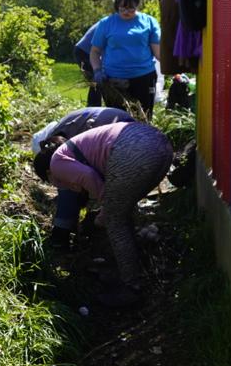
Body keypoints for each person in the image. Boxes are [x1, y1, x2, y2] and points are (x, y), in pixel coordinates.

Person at [33, 121, 173, 307]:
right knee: (122, 212)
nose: (57, 185)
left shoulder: (56, 163)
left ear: (49, 174)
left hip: (134, 148)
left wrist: (105, 208)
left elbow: (89, 177)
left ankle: (132, 287)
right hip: (161, 146)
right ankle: (131, 265)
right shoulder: (73, 149)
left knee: (114, 220)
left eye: (51, 182)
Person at [32, 107, 135, 246]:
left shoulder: (57, 155)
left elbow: (81, 176)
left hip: (116, 134)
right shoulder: (58, 137)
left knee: (67, 186)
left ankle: (60, 236)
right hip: (128, 129)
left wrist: (106, 204)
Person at [89, 0, 162, 117]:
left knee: (143, 119)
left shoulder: (149, 22)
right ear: (117, 5)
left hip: (144, 80)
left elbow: (158, 53)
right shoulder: (106, 23)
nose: (126, 12)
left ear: (137, 4)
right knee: (117, 120)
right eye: (122, 7)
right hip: (115, 82)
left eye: (131, 8)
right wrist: (97, 70)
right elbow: (95, 52)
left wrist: (176, 65)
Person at [73, 23, 103, 107]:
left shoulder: (111, 21)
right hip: (85, 52)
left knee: (98, 83)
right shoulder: (112, 24)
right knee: (97, 81)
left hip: (83, 50)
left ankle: (94, 107)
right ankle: (93, 108)